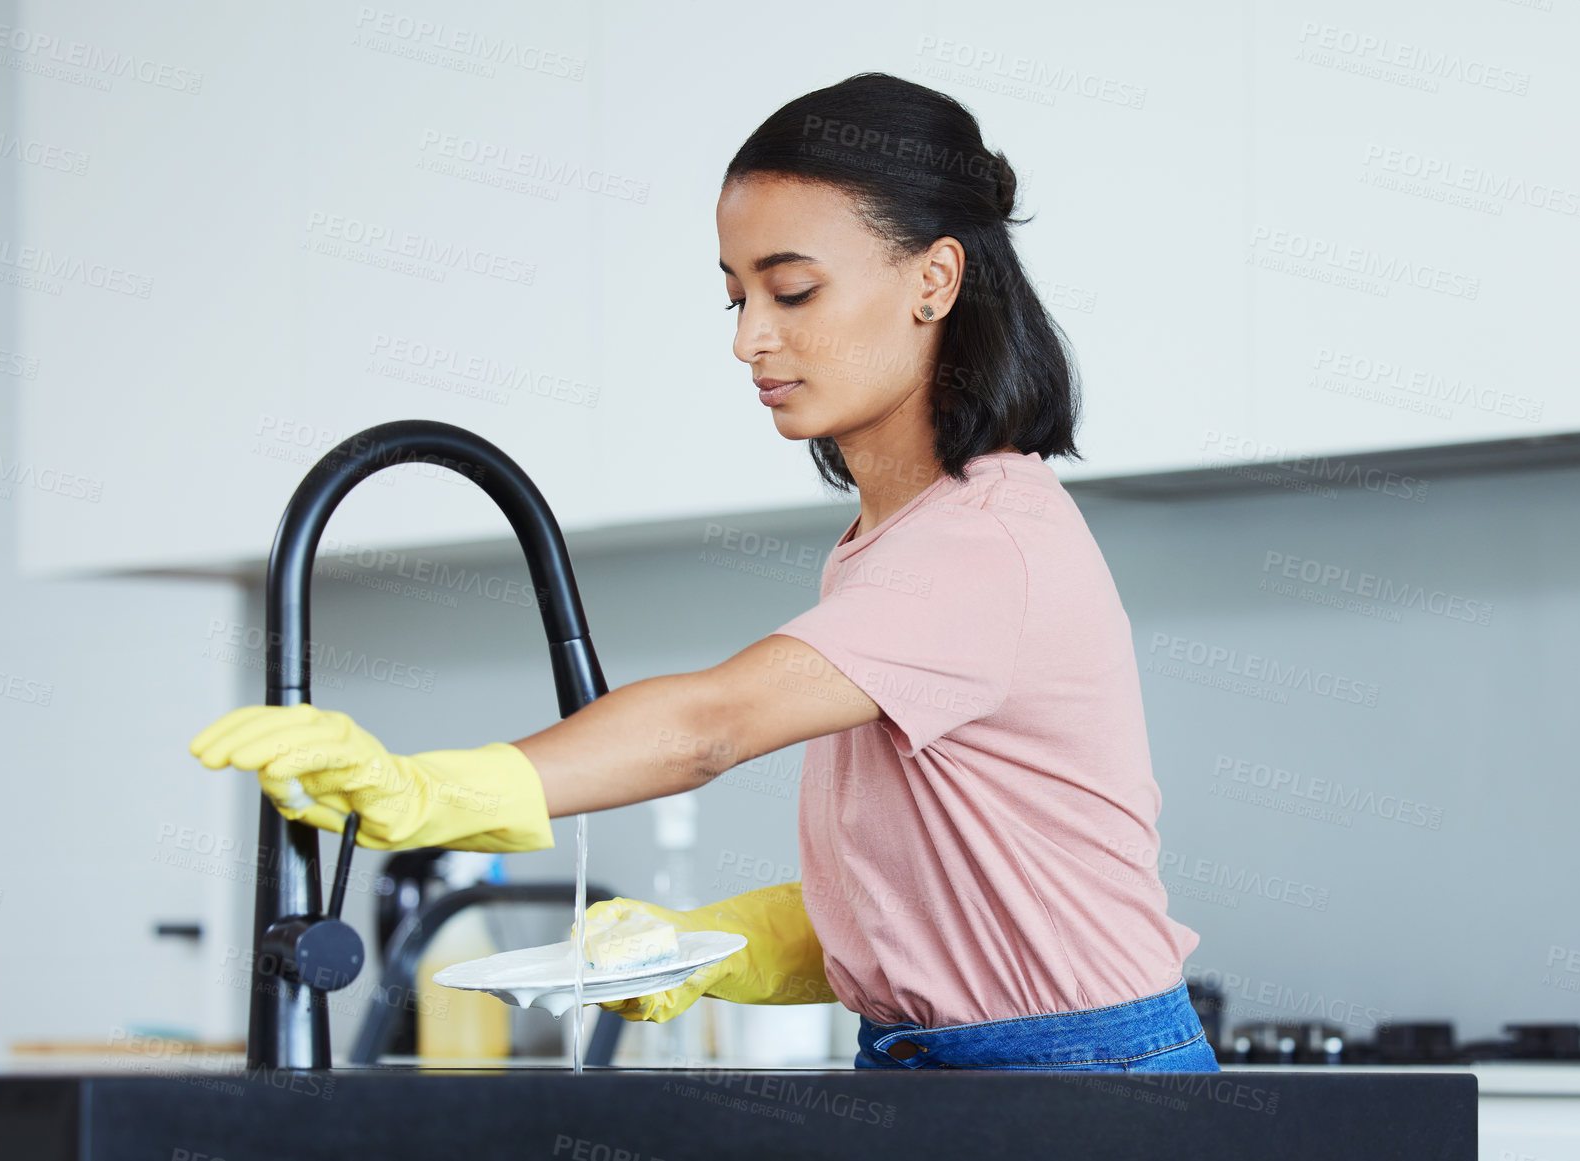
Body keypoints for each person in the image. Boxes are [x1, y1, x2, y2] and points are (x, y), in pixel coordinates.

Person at [190, 71, 1218, 1073]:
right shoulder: (891, 546)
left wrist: (420, 792)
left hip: (1078, 1083)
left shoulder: (981, 543)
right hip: (957, 1072)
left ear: (934, 280)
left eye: (792, 290)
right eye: (734, 297)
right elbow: (931, 906)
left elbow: (707, 727)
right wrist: (711, 943)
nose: (747, 340)